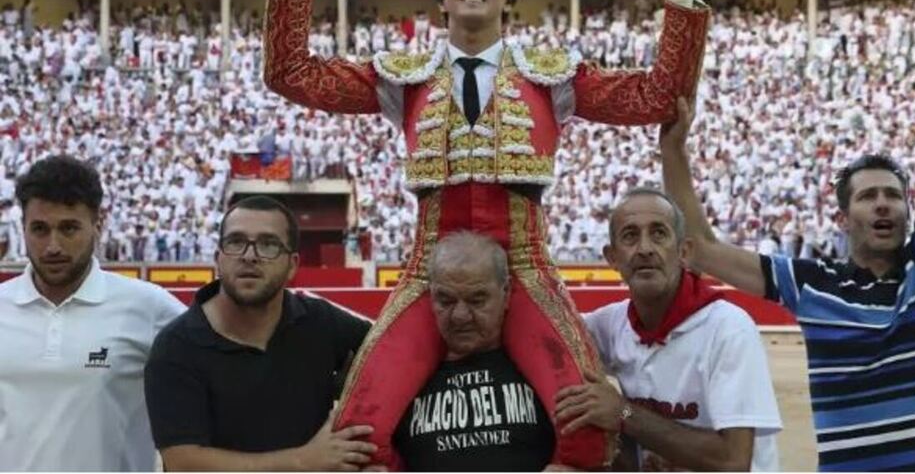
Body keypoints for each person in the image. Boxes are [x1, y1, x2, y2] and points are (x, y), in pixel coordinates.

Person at [264, 0, 710, 467]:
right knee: (356, 431)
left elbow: (657, 97)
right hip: (431, 271)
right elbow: (291, 75)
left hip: (522, 270)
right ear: (443, 0)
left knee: (588, 426)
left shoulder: (553, 75)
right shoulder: (403, 76)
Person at [659, 0, 915, 471]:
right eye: (868, 196)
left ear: (908, 208)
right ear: (841, 217)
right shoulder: (812, 283)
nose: (883, 204)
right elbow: (702, 249)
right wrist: (674, 152)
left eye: (893, 195)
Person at [554, 188, 782, 471]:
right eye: (630, 236)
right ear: (612, 257)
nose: (645, 248)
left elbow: (733, 462)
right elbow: (548, 337)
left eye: (659, 233)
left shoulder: (728, 328)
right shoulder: (610, 324)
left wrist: (623, 413)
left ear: (683, 252)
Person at [144, 195, 375, 471]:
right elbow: (186, 464)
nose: (249, 255)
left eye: (268, 244)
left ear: (293, 265)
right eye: (236, 241)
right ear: (219, 259)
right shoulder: (176, 347)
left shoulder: (321, 321)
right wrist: (305, 461)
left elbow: (389, 355)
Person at [0, 155, 186, 471]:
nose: (53, 246)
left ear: (98, 224)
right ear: (24, 228)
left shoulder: (150, 307)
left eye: (69, 228)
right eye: (40, 229)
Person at [390, 231, 559, 471]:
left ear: (506, 292)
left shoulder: (547, 374)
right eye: (446, 300)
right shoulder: (398, 382)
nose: (460, 316)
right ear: (430, 296)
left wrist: (620, 413)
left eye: (477, 300)